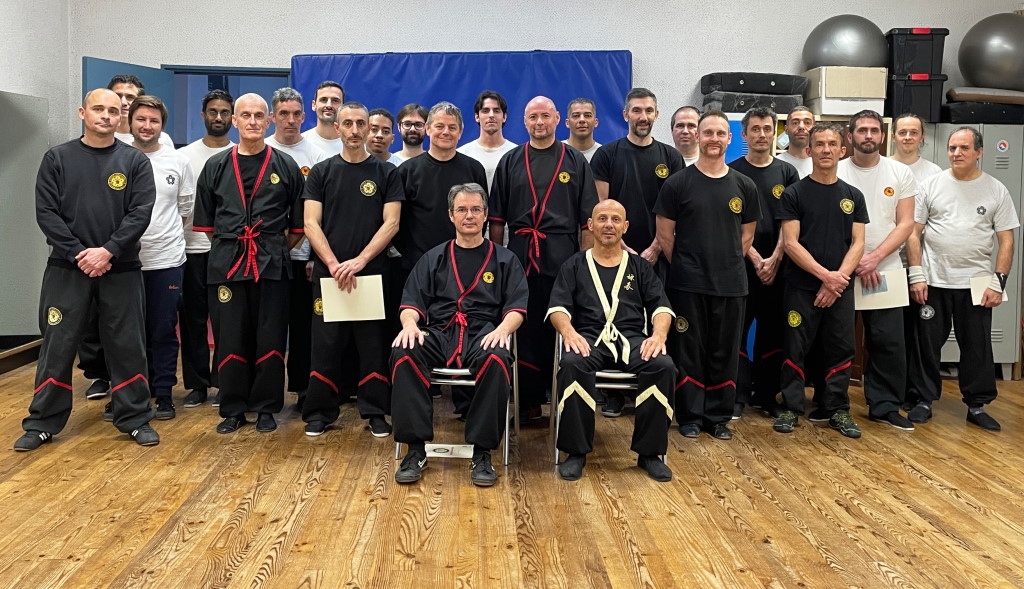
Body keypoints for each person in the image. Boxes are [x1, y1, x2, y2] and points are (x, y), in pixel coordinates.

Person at [14, 88, 159, 451]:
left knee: (127, 345)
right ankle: (42, 422)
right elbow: (46, 213)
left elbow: (140, 213)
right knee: (57, 345)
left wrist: (108, 251)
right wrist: (81, 253)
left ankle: (135, 418)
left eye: (113, 110)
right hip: (67, 268)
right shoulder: (57, 158)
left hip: (121, 268)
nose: (106, 115)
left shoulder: (134, 161)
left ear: (119, 117)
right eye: (98, 109)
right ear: (83, 112)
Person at [392, 183, 528, 486]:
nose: (470, 215)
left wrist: (503, 330)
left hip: (484, 334)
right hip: (440, 333)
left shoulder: (505, 260)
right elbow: (411, 303)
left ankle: (482, 452)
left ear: (486, 215)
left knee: (497, 357)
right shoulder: (433, 258)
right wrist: (410, 325)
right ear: (451, 215)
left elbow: (516, 307)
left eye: (476, 209)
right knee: (404, 351)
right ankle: (415, 449)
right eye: (462, 210)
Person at [192, 93, 306, 434]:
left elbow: (298, 228)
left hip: (272, 264)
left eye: (259, 115)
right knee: (230, 337)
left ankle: (267, 407)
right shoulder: (216, 166)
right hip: (227, 263)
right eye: (246, 115)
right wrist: (236, 251)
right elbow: (209, 227)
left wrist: (269, 248)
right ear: (236, 121)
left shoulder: (284, 165)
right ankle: (233, 407)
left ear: (268, 121)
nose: (253, 121)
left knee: (270, 336)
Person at [548, 199, 676, 482]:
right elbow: (557, 308)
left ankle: (649, 453)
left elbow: (661, 307)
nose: (609, 224)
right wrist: (569, 333)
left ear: (625, 226)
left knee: (662, 365)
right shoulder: (574, 264)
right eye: (602, 218)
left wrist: (658, 335)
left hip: (631, 338)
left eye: (616, 219)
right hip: (588, 338)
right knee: (571, 363)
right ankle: (575, 452)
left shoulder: (640, 267)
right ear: (591, 225)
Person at [490, 96, 599, 419]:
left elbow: (587, 221)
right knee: (525, 329)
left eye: (545, 116)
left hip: (563, 255)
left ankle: (566, 400)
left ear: (556, 120)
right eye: (533, 117)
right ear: (524, 122)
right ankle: (528, 402)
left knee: (563, 324)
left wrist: (584, 264)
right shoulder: (511, 161)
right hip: (520, 256)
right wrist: (498, 261)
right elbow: (496, 220)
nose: (539, 122)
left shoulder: (575, 160)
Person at [654, 109, 759, 440]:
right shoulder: (678, 183)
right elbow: (665, 236)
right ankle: (689, 415)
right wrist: (689, 266)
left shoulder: (744, 185)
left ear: (730, 139)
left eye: (720, 133)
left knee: (724, 352)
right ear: (697, 137)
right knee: (689, 351)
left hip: (731, 285)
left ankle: (718, 417)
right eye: (708, 132)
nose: (714, 139)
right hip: (687, 285)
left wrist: (725, 263)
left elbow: (747, 236)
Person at [906, 127, 1019, 431]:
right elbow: (913, 234)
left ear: (979, 152)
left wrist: (999, 282)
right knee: (926, 344)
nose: (956, 153)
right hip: (933, 281)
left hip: (977, 284)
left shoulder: (996, 190)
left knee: (977, 346)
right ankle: (923, 400)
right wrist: (916, 275)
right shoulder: (931, 185)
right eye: (953, 148)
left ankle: (977, 405)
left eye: (964, 148)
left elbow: (1006, 241)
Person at [302, 102, 404, 437]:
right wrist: (332, 263)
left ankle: (375, 410)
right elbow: (310, 223)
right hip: (329, 274)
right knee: (325, 343)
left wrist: (360, 261)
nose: (356, 130)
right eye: (349, 123)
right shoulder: (321, 172)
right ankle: (319, 411)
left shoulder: (387, 173)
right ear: (338, 127)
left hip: (372, 272)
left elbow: (392, 223)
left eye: (361, 123)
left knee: (373, 343)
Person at [773, 123, 868, 438]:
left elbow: (858, 243)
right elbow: (790, 243)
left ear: (842, 151)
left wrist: (837, 281)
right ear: (809, 150)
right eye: (819, 144)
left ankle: (836, 409)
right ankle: (791, 406)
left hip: (840, 289)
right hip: (801, 286)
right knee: (794, 346)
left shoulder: (853, 196)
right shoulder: (794, 193)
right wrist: (826, 277)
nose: (826, 150)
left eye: (832, 144)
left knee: (841, 347)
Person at [836, 110, 918, 430]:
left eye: (874, 130)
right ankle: (832, 402)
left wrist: (875, 257)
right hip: (842, 269)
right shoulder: (837, 171)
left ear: (882, 136)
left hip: (886, 268)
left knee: (888, 341)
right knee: (838, 339)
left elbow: (906, 223)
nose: (868, 136)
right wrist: (856, 261)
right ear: (850, 136)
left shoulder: (899, 173)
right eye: (862, 131)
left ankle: (885, 405)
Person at [728, 107, 800, 418]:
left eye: (767, 129)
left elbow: (791, 223)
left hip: (779, 267)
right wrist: (757, 259)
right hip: (742, 266)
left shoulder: (787, 173)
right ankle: (736, 395)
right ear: (743, 135)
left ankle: (767, 395)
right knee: (738, 332)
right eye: (754, 129)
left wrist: (775, 258)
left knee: (773, 333)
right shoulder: (731, 172)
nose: (761, 135)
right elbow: (733, 226)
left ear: (775, 133)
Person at [591, 87, 682, 327]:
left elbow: (677, 212)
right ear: (625, 115)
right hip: (615, 254)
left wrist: (655, 248)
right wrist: (622, 248)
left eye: (649, 110)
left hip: (660, 256)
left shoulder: (671, 157)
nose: (643, 116)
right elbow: (601, 209)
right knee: (618, 322)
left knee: (659, 323)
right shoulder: (606, 155)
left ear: (657, 114)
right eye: (637, 110)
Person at [129, 95, 195, 421]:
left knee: (163, 330)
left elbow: (185, 210)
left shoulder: (177, 162)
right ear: (131, 122)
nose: (147, 126)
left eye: (153, 120)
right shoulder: (118, 158)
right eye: (141, 119)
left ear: (162, 125)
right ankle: (131, 394)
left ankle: (165, 393)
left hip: (167, 259)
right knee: (127, 332)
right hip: (125, 262)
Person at [265, 87, 330, 405]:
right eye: (283, 114)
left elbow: (318, 212)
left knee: (305, 327)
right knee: (269, 326)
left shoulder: (316, 155)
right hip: (266, 256)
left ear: (304, 116)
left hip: (304, 257)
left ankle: (305, 389)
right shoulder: (259, 150)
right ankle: (266, 391)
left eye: (295, 114)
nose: (290, 120)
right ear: (272, 117)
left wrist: (313, 255)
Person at [177, 89, 234, 408]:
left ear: (233, 118)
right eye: (213, 111)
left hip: (227, 252)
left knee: (227, 319)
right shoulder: (184, 155)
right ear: (203, 115)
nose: (219, 117)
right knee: (193, 320)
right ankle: (197, 384)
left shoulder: (241, 154)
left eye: (225, 112)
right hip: (190, 250)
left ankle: (225, 380)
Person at [458, 91, 517, 191]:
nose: (491, 115)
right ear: (477, 117)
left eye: (496, 111)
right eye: (485, 111)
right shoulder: (462, 153)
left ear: (504, 117)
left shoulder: (516, 154)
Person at [108, 74, 175, 148]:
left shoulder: (162, 139)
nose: (123, 102)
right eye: (118, 96)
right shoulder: (101, 135)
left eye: (130, 97)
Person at [890, 113, 943, 184]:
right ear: (893, 137)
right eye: (902, 132)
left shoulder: (934, 172)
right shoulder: (882, 169)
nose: (908, 137)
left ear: (922, 137)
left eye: (914, 132)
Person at [301, 81, 345, 155]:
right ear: (314, 105)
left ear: (343, 107)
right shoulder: (301, 143)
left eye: (335, 100)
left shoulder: (353, 144)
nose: (329, 105)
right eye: (323, 100)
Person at [776, 107, 815, 178]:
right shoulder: (776, 164)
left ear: (814, 129)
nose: (801, 126)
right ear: (786, 129)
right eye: (795, 123)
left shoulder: (822, 164)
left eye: (807, 123)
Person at [563, 97, 601, 162]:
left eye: (587, 115)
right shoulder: (557, 152)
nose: (582, 120)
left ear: (596, 122)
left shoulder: (603, 154)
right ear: (567, 123)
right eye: (576, 116)